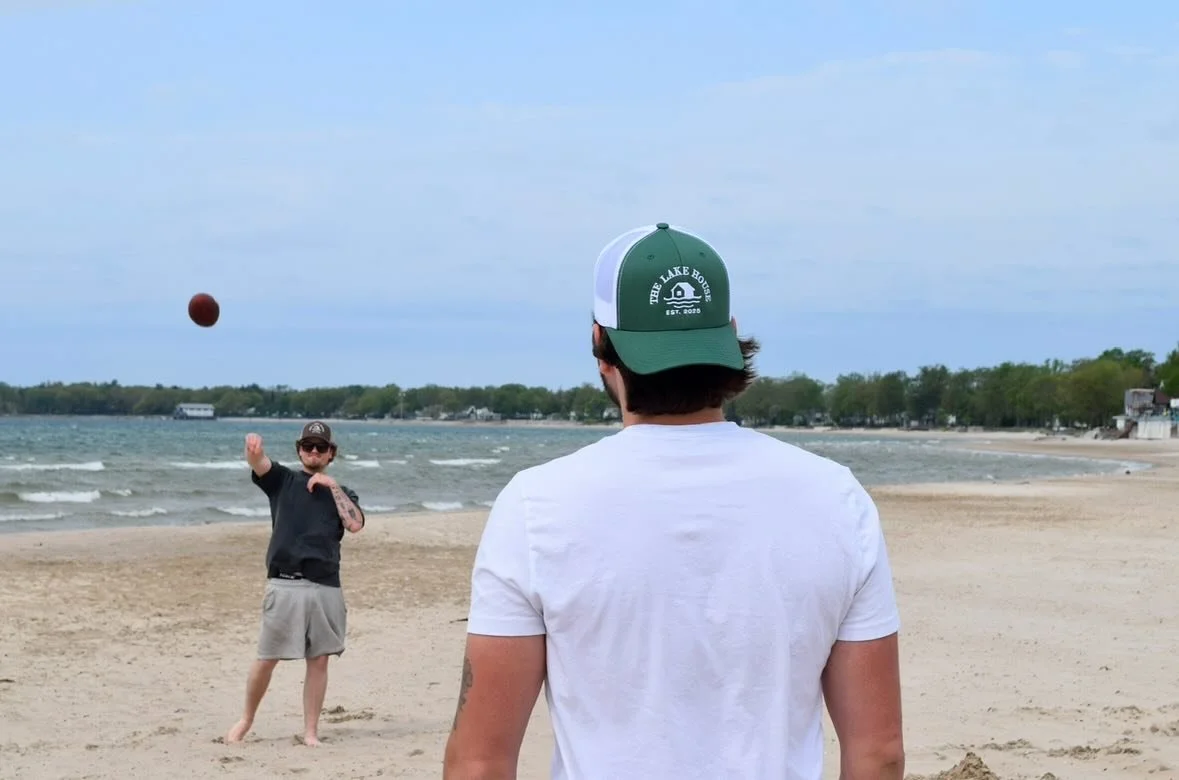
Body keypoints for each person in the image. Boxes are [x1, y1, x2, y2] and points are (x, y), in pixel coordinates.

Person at [443, 223, 904, 779]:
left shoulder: (536, 507)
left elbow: (481, 760)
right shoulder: (836, 499)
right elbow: (878, 754)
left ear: (599, 344)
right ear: (729, 335)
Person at [226, 420, 365, 747]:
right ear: (299, 450)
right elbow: (261, 465)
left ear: (331, 453)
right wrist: (253, 452)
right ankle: (246, 719)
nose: (313, 451)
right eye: (307, 446)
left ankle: (310, 732)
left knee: (319, 660)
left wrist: (332, 486)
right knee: (266, 657)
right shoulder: (283, 481)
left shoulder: (342, 493)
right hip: (285, 584)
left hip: (325, 585)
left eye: (320, 447)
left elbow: (355, 524)